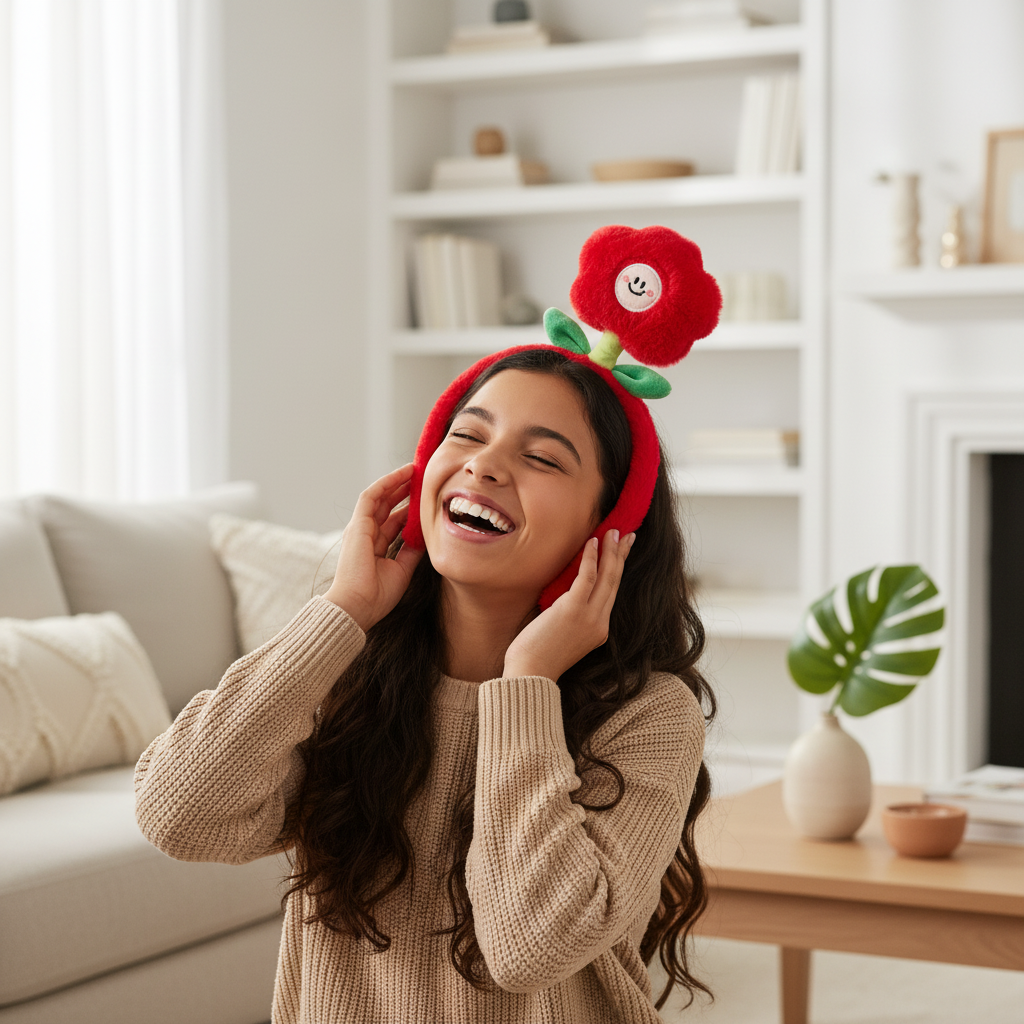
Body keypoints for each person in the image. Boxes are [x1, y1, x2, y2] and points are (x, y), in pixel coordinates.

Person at [135, 345, 715, 1024]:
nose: (484, 463)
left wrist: (526, 683)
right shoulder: (347, 669)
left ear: (608, 528)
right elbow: (180, 817)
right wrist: (342, 610)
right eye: (467, 433)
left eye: (543, 457)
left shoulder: (649, 714)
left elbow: (530, 948)